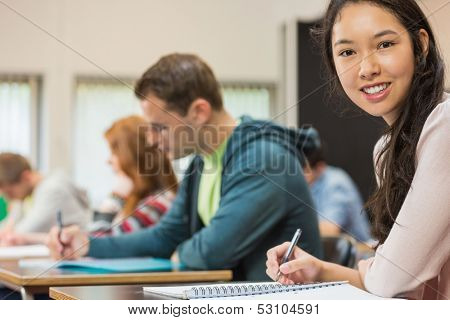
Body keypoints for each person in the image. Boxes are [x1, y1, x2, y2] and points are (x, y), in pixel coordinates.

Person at [47, 53, 323, 281]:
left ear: (199, 112)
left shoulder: (264, 159)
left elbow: (214, 250)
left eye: (159, 128)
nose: (152, 140)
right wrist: (86, 244)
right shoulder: (202, 162)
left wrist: (182, 252)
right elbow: (166, 235)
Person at [266, 0, 449, 299]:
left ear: (420, 44)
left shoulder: (445, 125)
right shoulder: (387, 149)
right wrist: (319, 270)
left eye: (385, 44)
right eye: (348, 52)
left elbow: (393, 279)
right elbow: (395, 279)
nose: (367, 69)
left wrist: (379, 273)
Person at [89, 115, 178, 236]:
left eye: (114, 153)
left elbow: (98, 241)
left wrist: (115, 197)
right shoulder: (136, 200)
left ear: (132, 157)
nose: (109, 161)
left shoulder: (160, 203)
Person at [0, 153, 91, 245]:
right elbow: (7, 230)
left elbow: (17, 235)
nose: (9, 198)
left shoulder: (52, 190)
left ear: (26, 177)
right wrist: (9, 225)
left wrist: (8, 232)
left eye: (10, 192)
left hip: (77, 253)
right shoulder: (28, 194)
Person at [302, 142, 371, 242]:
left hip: (359, 252)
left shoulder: (335, 183)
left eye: (304, 170)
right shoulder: (310, 184)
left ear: (320, 167)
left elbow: (331, 230)